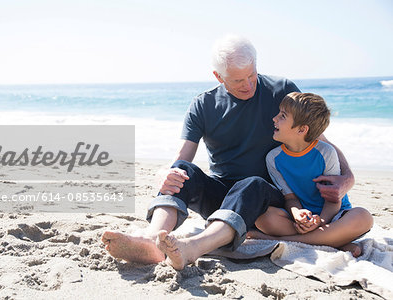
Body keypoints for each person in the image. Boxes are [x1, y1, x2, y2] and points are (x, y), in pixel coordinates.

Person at [101, 34, 355, 270]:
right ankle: (151, 240)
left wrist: (347, 178)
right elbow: (182, 158)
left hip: (268, 201)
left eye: (251, 75)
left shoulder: (282, 90)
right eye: (237, 80)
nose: (248, 85)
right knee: (182, 171)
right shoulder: (203, 105)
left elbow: (319, 139)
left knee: (251, 183)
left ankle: (195, 248)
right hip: (223, 199)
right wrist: (163, 174)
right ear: (219, 76)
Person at [248, 92, 373, 257]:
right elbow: (290, 198)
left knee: (363, 217)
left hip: (334, 217)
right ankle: (337, 242)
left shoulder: (326, 152)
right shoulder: (273, 158)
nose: (274, 118)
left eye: (282, 116)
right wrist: (297, 213)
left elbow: (333, 199)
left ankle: (277, 239)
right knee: (263, 218)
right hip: (300, 223)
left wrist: (320, 221)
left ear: (302, 129)